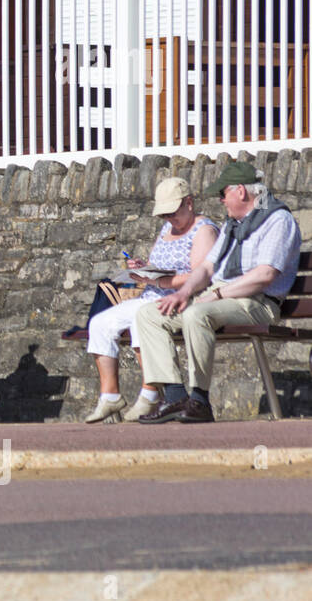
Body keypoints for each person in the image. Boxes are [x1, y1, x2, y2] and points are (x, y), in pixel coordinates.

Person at [135, 162, 303, 423]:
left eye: (222, 194)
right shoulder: (232, 225)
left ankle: (199, 400)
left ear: (240, 191)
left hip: (256, 303)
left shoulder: (277, 220)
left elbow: (264, 275)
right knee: (149, 314)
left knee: (197, 314)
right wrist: (184, 292)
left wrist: (219, 294)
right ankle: (175, 397)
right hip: (219, 298)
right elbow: (207, 266)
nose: (221, 201)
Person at [84, 177, 218, 424]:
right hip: (153, 294)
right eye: (163, 215)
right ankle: (110, 395)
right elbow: (162, 266)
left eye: (172, 212)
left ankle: (150, 394)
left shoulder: (204, 230)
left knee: (141, 319)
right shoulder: (168, 229)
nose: (168, 219)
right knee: (99, 324)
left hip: (182, 299)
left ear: (189, 203)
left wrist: (158, 281)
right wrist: (144, 268)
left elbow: (199, 276)